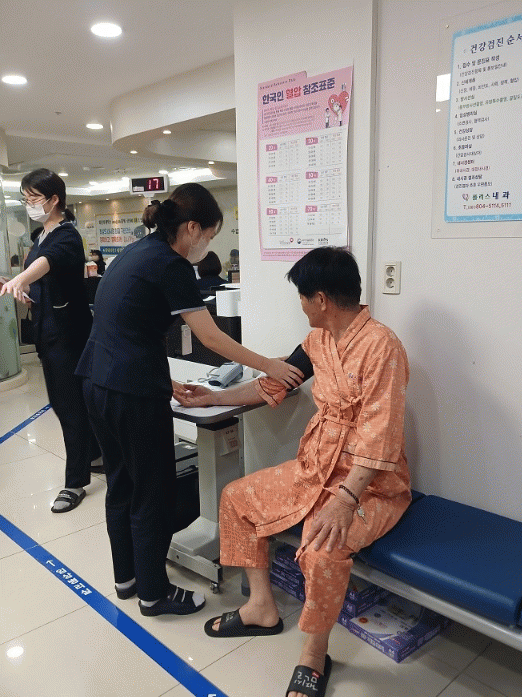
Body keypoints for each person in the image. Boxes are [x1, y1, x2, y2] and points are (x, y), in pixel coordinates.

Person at [177, 247, 411, 697]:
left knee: (323, 550)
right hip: (315, 466)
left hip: (370, 485)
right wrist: (211, 397)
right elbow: (273, 384)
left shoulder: (383, 347)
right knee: (237, 497)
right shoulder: (317, 342)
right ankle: (261, 607)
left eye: (302, 297)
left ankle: (315, 652)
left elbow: (381, 436)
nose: (300, 305)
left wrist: (345, 500)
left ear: (320, 299)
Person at [75, 183, 303, 618]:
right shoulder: (171, 263)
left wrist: (164, 379)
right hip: (132, 392)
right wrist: (270, 366)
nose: (208, 245)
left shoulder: (136, 253)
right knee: (152, 490)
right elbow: (211, 337)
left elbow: (125, 325)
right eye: (211, 235)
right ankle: (154, 594)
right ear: (193, 228)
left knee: (121, 483)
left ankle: (127, 579)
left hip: (96, 381)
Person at [0, 168, 102, 513]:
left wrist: (21, 279)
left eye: (34, 198)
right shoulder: (40, 235)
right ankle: (95, 455)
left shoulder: (66, 235)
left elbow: (47, 263)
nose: (28, 204)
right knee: (70, 403)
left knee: (69, 407)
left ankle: (75, 482)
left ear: (54, 199)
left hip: (68, 335)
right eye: (25, 199)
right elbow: (43, 278)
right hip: (48, 331)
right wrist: (24, 288)